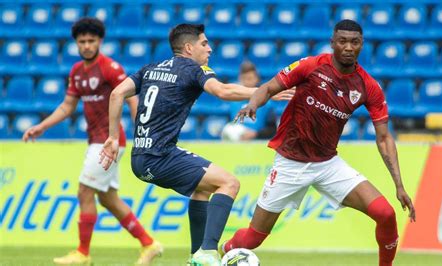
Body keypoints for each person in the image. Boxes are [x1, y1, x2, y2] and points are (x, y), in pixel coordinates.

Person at [221, 19, 416, 266]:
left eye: (354, 42)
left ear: (361, 45)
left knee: (386, 214)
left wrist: (399, 185)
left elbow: (384, 137)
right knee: (251, 240)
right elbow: (269, 87)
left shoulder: (368, 86)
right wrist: (252, 104)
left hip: (328, 164)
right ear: (333, 43)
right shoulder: (311, 66)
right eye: (342, 41)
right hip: (290, 162)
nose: (348, 47)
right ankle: (226, 250)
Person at [99, 24, 292, 266]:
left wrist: (113, 137)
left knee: (203, 189)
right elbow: (222, 90)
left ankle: (196, 257)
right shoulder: (193, 69)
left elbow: (116, 94)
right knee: (229, 183)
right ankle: (208, 252)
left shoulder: (150, 68)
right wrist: (263, 92)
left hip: (140, 157)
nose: (209, 49)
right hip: (161, 156)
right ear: (189, 48)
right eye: (204, 44)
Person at [22, 17, 162, 265]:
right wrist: (41, 127)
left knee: (85, 191)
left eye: (91, 41)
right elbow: (67, 106)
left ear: (100, 41)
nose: (86, 45)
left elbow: (131, 98)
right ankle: (149, 244)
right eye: (82, 41)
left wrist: (141, 128)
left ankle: (83, 254)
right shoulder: (77, 71)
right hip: (96, 142)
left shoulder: (110, 67)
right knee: (108, 199)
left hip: (108, 141)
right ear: (76, 43)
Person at [221, 61, 282, 141]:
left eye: (250, 78)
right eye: (244, 79)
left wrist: (255, 134)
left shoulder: (267, 103)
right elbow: (229, 126)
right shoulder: (233, 102)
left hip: (258, 146)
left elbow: (273, 130)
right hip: (237, 147)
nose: (247, 82)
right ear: (240, 79)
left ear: (257, 78)